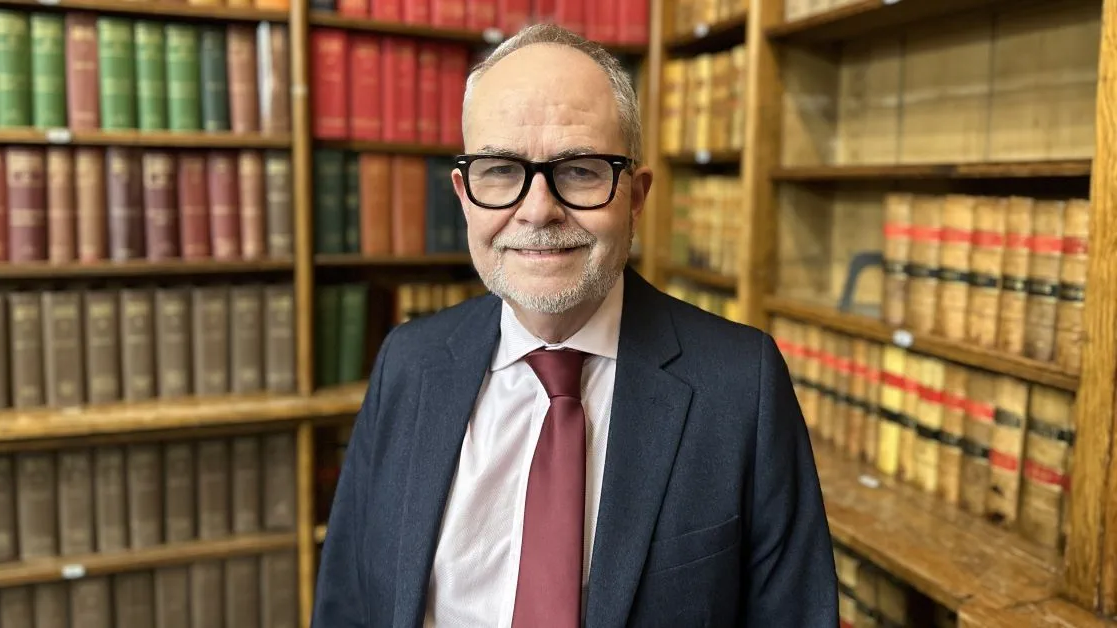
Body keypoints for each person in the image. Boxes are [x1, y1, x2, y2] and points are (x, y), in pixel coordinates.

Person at [311, 23, 837, 628]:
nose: (537, 210)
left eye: (582, 170)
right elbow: (346, 605)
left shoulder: (743, 384)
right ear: (463, 193)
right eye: (501, 170)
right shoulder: (408, 361)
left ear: (635, 197)